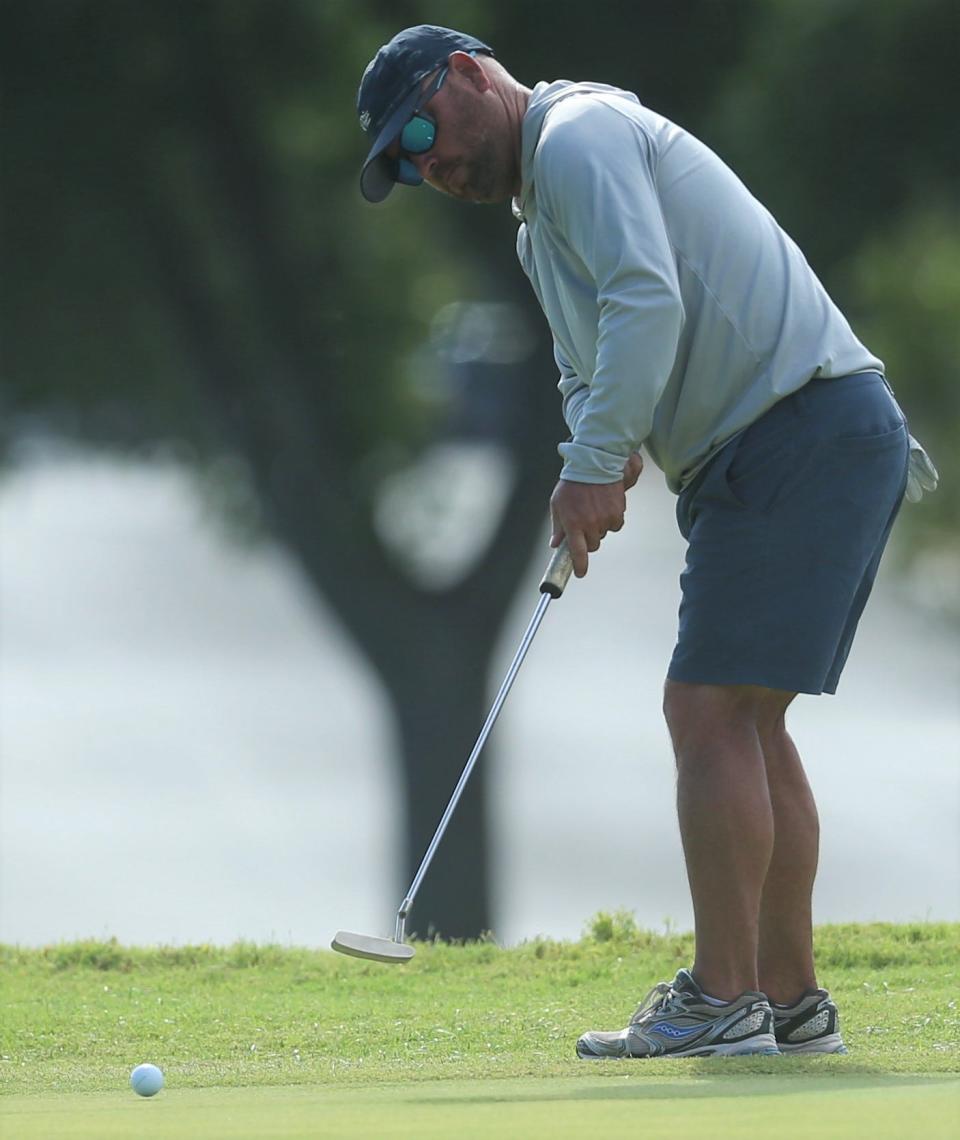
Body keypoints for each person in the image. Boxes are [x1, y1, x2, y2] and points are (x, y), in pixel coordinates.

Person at [355, 25, 938, 1059]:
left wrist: (594, 463)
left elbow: (647, 298)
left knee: (705, 708)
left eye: (419, 131)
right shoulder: (538, 227)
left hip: (796, 433)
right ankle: (788, 1003)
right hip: (796, 442)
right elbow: (597, 362)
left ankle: (724, 1002)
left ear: (467, 75)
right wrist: (598, 451)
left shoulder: (577, 137)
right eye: (407, 167)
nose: (427, 165)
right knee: (747, 720)